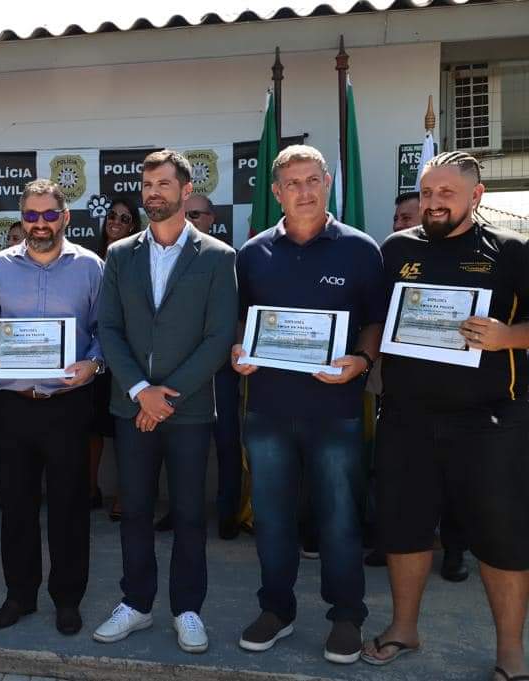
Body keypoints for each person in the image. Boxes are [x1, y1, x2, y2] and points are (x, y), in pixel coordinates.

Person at [362, 152, 529, 681]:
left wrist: (510, 336)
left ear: (475, 197)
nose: (432, 205)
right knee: (405, 529)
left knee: (502, 538)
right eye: (427, 194)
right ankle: (403, 629)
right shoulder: (396, 249)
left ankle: (509, 653)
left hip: (490, 422)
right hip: (407, 417)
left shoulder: (510, 252)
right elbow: (373, 318)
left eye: (445, 196)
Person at [232, 145, 385, 664]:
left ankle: (346, 616)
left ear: (327, 183)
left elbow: (374, 320)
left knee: (340, 518)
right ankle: (276, 610)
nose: (304, 191)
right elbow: (242, 321)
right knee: (272, 518)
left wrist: (362, 361)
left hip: (336, 410)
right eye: (292, 183)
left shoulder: (361, 249)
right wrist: (239, 349)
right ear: (276, 193)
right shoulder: (252, 253)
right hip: (269, 408)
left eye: (313, 180)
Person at [92, 150, 236, 654]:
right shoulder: (120, 254)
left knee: (190, 514)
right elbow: (108, 328)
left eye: (163, 184)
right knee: (134, 510)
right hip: (132, 408)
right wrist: (140, 392)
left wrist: (165, 398)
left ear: (184, 188)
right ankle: (136, 603)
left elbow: (219, 338)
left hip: (188, 410)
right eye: (147, 184)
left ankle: (188, 609)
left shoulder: (217, 257)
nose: (153, 192)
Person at [0, 179, 105, 636]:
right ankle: (19, 596)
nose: (40, 224)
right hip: (12, 403)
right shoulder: (2, 266)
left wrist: (94, 363)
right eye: (32, 215)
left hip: (66, 403)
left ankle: (68, 599)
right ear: (21, 219)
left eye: (49, 215)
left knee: (69, 507)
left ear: (65, 217)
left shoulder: (91, 267)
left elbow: (107, 327)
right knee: (16, 507)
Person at [365, 190, 469, 576]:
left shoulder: (473, 255)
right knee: (395, 478)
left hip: (459, 392)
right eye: (397, 218)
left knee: (455, 480)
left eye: (407, 217)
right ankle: (388, 542)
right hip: (403, 390)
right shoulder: (391, 254)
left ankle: (455, 550)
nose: (400, 224)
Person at [155, 193, 243, 540]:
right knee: (177, 444)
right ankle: (178, 510)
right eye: (184, 213)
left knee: (226, 442)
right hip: (176, 373)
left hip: (218, 368)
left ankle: (228, 513)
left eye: (197, 214)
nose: (189, 219)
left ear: (212, 218)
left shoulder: (224, 257)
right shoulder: (163, 257)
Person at [89, 196, 142, 520]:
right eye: (112, 216)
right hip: (93, 355)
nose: (117, 222)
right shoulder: (88, 259)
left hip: (125, 353)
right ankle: (90, 488)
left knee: (124, 429)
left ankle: (125, 493)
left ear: (134, 226)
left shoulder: (137, 260)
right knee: (92, 426)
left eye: (125, 219)